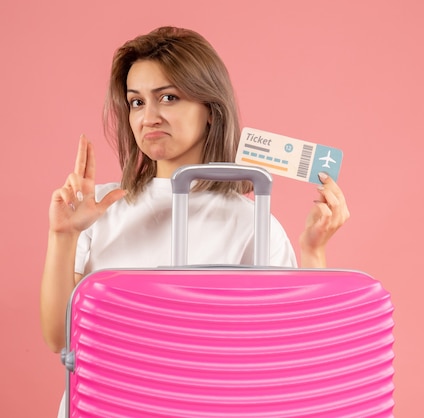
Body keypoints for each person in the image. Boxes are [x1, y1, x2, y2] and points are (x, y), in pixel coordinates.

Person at [40, 26, 349, 417]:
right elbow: (59, 338)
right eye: (136, 102)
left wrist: (314, 251)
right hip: (105, 407)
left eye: (168, 98)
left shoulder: (252, 221)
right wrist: (63, 233)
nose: (148, 117)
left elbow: (288, 352)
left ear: (210, 110)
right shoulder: (98, 207)